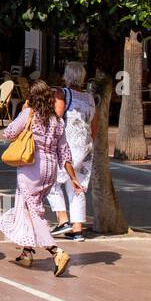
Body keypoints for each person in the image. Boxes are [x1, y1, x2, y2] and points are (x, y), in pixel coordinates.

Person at [0, 79, 74, 277]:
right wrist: (73, 178)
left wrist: (24, 110)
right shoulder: (57, 120)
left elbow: (9, 133)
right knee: (28, 207)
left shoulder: (30, 114)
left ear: (31, 97)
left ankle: (56, 251)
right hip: (50, 171)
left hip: (31, 169)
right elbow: (64, 152)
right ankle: (27, 252)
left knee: (34, 212)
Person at [50, 62, 96, 242]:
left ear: (67, 76)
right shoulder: (89, 98)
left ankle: (63, 221)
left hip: (67, 146)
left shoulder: (63, 93)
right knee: (77, 185)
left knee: (51, 181)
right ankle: (77, 229)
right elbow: (95, 125)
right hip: (85, 146)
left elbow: (56, 118)